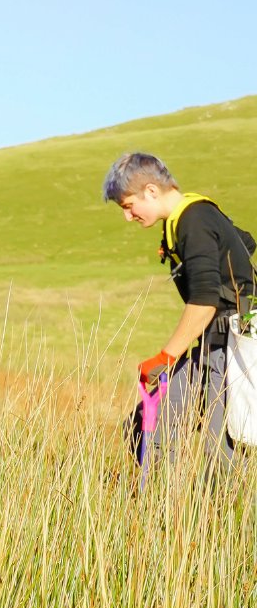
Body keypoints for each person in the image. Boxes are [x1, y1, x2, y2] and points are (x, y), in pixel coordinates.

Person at [102, 152, 255, 471]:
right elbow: (246, 242)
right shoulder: (195, 216)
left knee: (224, 457)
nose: (128, 217)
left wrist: (165, 358)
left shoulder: (194, 221)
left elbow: (204, 302)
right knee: (144, 428)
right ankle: (161, 510)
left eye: (128, 206)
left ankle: (228, 518)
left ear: (151, 191)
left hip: (234, 347)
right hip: (212, 346)